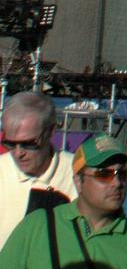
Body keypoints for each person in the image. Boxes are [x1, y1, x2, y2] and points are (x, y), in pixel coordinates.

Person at [0, 133, 127, 269]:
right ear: (78, 181)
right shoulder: (38, 226)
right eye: (104, 174)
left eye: (122, 173)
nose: (117, 183)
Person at [0, 91, 76, 250]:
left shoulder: (79, 174)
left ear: (51, 131)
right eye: (10, 144)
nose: (18, 153)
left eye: (28, 143)